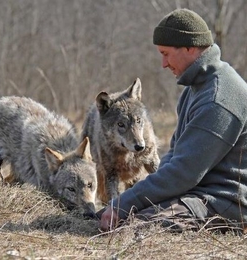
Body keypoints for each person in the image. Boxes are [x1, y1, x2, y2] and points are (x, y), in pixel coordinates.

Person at [98, 8, 247, 233]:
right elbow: (175, 157)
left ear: (190, 47)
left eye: (166, 53)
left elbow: (184, 173)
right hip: (197, 192)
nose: (163, 64)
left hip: (227, 203)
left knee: (134, 228)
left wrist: (123, 203)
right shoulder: (195, 89)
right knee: (120, 216)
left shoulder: (218, 98)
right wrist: (125, 203)